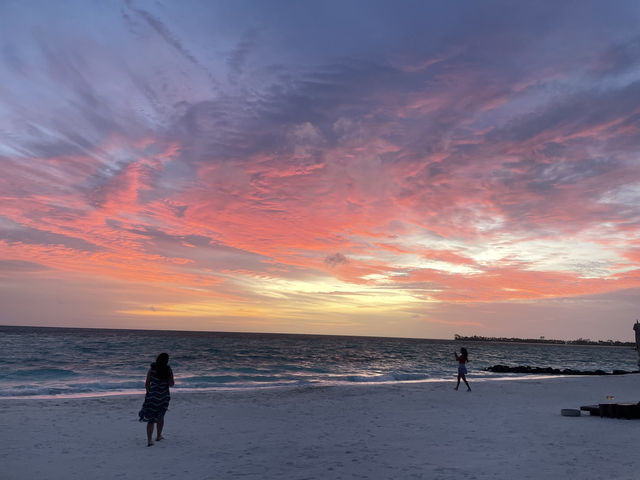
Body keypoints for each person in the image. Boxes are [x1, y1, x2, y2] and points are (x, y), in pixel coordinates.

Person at [139, 352, 175, 446]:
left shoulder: (152, 369)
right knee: (161, 415)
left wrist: (148, 393)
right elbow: (171, 384)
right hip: (163, 396)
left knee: (151, 419)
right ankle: (158, 436)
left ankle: (150, 440)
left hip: (152, 396)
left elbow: (147, 383)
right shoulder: (168, 370)